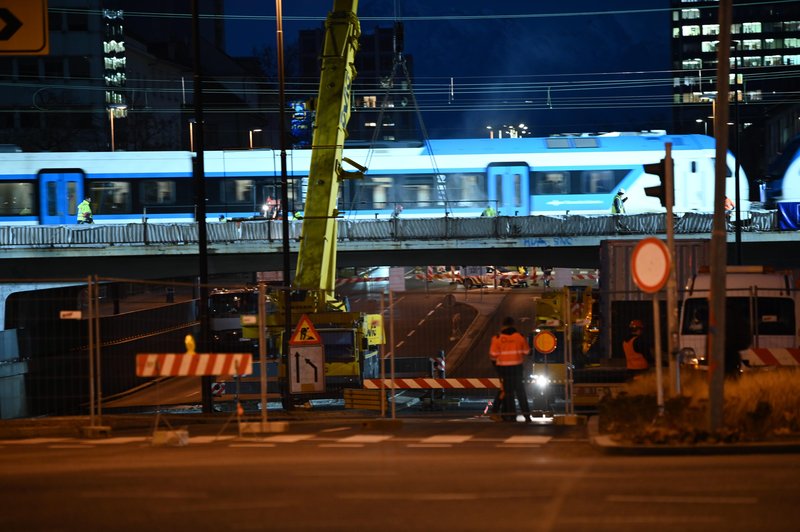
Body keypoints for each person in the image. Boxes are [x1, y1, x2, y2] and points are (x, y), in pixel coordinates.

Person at [489, 316, 532, 422]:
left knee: (507, 392)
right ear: (513, 325)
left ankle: (511, 416)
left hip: (503, 370)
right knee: (521, 392)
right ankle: (526, 416)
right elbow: (527, 352)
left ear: (503, 326)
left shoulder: (497, 338)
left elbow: (493, 354)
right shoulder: (519, 337)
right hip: (517, 368)